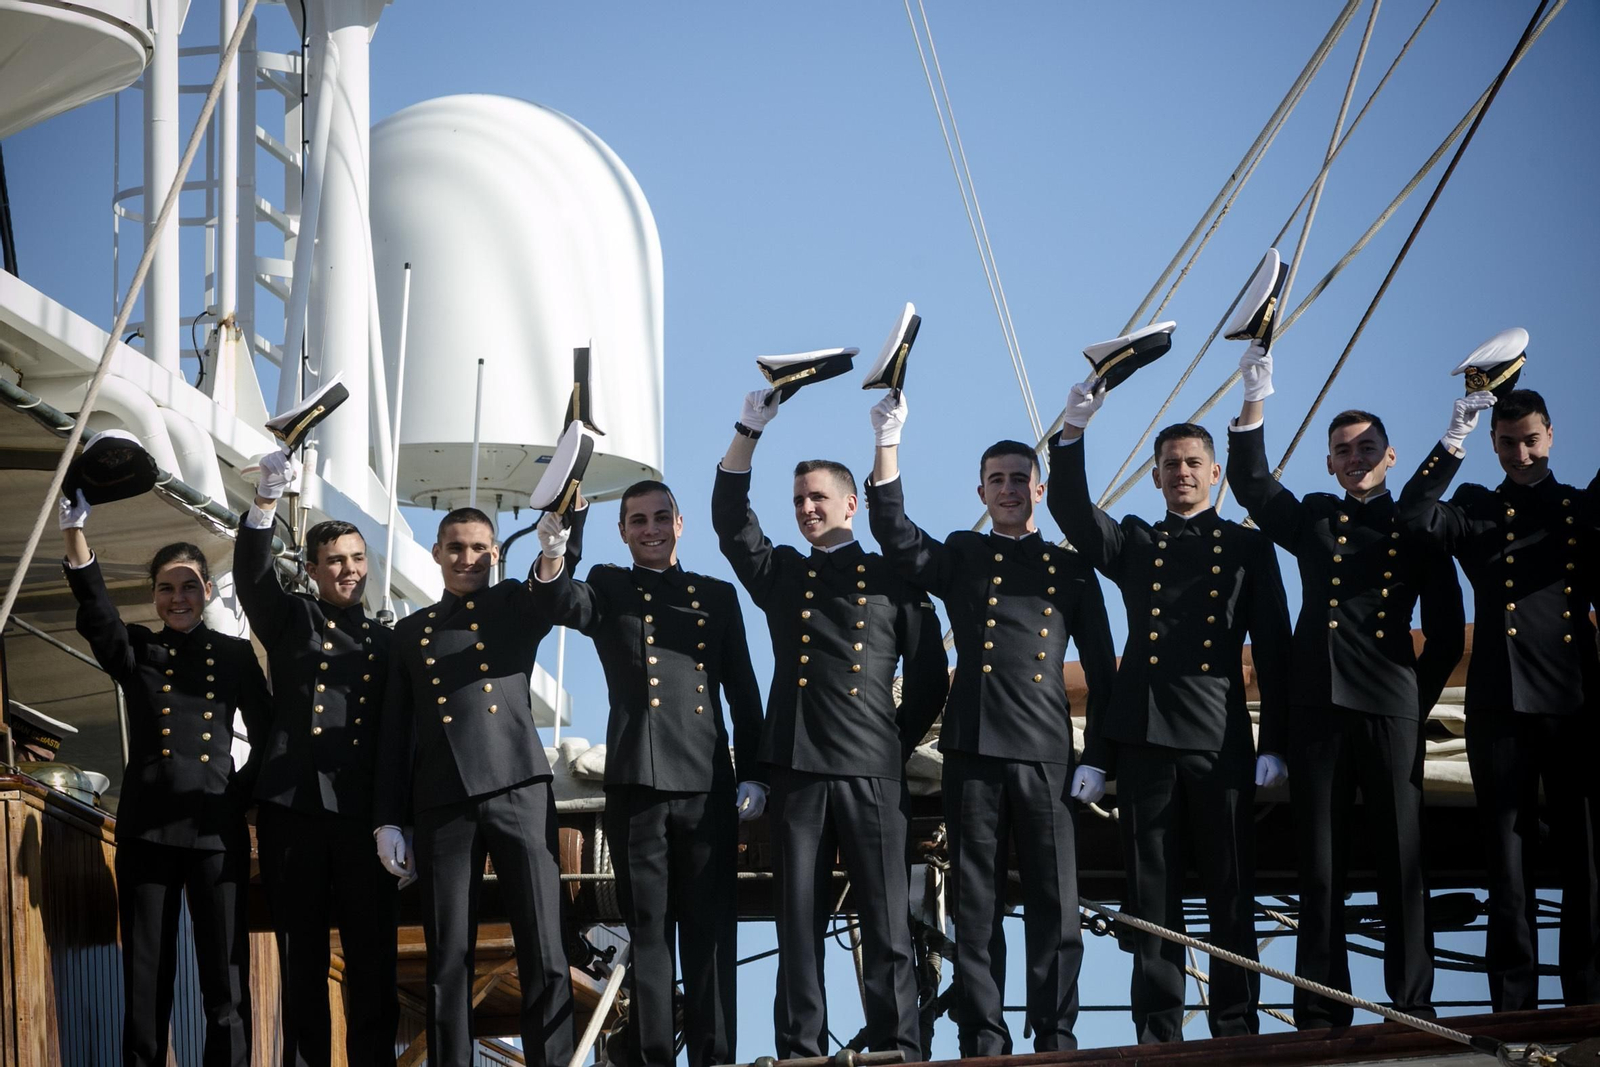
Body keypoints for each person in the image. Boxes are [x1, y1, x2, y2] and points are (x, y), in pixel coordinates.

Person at [862, 392, 1117, 1055]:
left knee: (1055, 901)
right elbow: (897, 536)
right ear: (981, 489)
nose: (1007, 490)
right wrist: (887, 444)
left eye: (1017, 479)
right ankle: (982, 1030)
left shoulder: (1070, 569)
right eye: (995, 480)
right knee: (975, 900)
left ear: (1038, 488)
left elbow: (1104, 670)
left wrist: (1101, 755)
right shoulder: (965, 555)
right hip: (974, 747)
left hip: (1047, 751)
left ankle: (1056, 1030)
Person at [1226, 343, 1463, 1027]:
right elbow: (1251, 483)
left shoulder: (1416, 525)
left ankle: (1412, 1002)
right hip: (1318, 707)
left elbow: (1446, 631)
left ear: (1391, 457)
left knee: (1401, 861)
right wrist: (1255, 391)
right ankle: (1322, 1008)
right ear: (1329, 462)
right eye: (1343, 450)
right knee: (1320, 868)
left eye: (1367, 448)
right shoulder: (1317, 520)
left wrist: (1410, 701)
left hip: (1389, 707)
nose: (1355, 458)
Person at [1049, 381, 1292, 1043]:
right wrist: (1074, 426)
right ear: (1155, 477)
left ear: (1215, 473)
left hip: (1219, 736)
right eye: (1170, 465)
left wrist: (1275, 741)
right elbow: (1071, 509)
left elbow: (1273, 650)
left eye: (1193, 463)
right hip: (1147, 737)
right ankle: (1158, 1029)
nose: (1181, 473)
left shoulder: (1247, 550)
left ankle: (1236, 1024)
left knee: (1230, 888)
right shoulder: (1136, 543)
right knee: (1150, 894)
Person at [711, 389, 949, 1061]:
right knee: (799, 921)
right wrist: (748, 429)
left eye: (819, 498)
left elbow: (929, 678)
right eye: (798, 501)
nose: (807, 509)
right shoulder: (783, 574)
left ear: (851, 503)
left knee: (886, 920)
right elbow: (731, 521)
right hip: (798, 769)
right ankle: (800, 1048)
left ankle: (900, 1044)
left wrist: (886, 742)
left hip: (872, 770)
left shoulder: (895, 582)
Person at [531, 479, 763, 1067]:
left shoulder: (716, 595)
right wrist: (563, 537)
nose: (651, 529)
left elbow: (743, 692)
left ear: (680, 524)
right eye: (638, 520)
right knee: (651, 933)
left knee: (710, 933)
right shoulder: (608, 586)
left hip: (706, 784)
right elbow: (562, 602)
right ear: (623, 531)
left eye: (662, 518)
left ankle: (716, 1058)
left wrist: (754, 774)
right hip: (637, 785)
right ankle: (655, 1056)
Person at [1396, 387, 1599, 1011]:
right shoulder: (1478, 510)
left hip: (1575, 703)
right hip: (1500, 705)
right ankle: (1514, 1009)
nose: (1520, 453)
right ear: (1493, 444)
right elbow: (1414, 513)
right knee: (1506, 867)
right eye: (1507, 443)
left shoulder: (1580, 509)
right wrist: (1453, 434)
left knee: (1586, 866)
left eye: (1530, 440)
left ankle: (1588, 1002)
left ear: (1552, 436)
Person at [59, 489, 270, 1067]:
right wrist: (76, 539)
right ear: (154, 596)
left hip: (214, 833)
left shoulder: (233, 656)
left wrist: (238, 797)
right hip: (148, 830)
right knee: (146, 973)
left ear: (207, 590)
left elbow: (273, 733)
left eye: (189, 586)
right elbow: (99, 618)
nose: (177, 598)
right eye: (166, 588)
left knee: (225, 977)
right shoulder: (137, 648)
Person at [373, 504, 587, 1067]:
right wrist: (389, 819)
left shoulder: (516, 603)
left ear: (495, 554)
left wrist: (561, 537)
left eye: (477, 549)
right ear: (438, 554)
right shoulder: (410, 632)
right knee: (448, 955)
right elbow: (397, 734)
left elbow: (552, 590)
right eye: (455, 548)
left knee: (543, 943)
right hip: (444, 802)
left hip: (517, 785)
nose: (466, 559)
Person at [235, 450, 398, 1066]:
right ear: (312, 568)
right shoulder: (292, 618)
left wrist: (395, 818)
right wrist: (266, 502)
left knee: (372, 959)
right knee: (300, 957)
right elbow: (252, 578)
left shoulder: (389, 641)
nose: (349, 570)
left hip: (363, 820)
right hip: (294, 809)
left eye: (357, 559)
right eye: (336, 561)